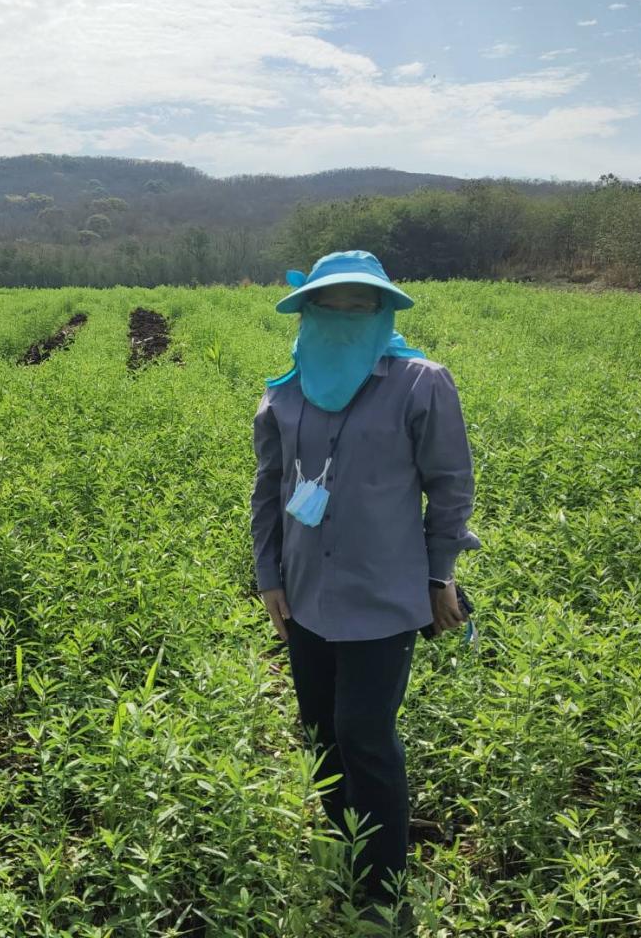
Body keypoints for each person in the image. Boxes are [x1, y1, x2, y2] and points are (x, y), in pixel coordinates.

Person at [249, 250, 479, 925]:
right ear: (309, 310)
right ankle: (350, 850)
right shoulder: (285, 393)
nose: (347, 315)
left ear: (383, 310)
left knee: (364, 731)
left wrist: (441, 575)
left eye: (362, 304)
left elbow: (450, 487)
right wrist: (269, 578)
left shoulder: (418, 384)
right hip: (305, 592)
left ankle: (385, 894)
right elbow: (269, 491)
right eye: (332, 303)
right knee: (321, 729)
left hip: (384, 594)